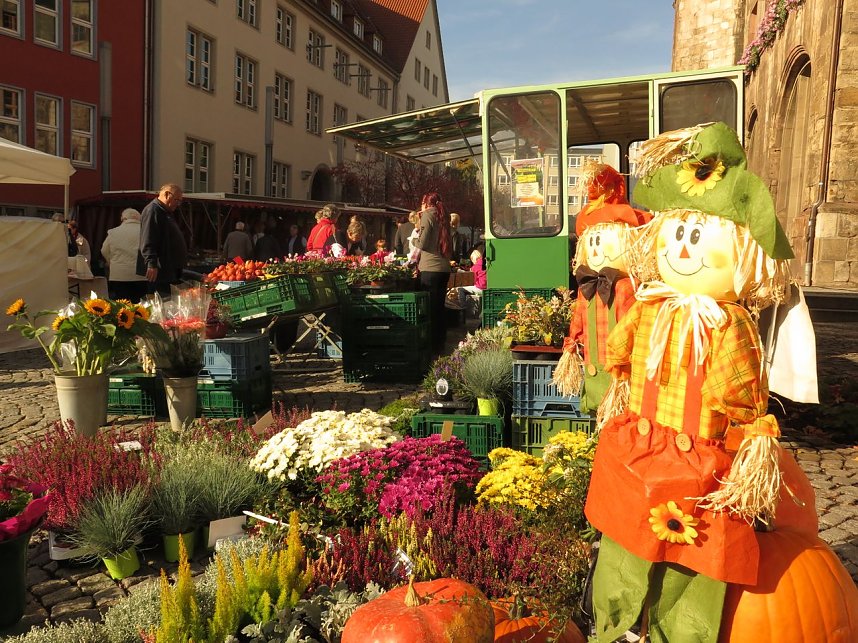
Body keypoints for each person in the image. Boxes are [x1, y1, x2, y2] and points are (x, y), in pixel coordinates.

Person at [414, 192, 452, 354]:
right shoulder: (444, 217)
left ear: (425, 203)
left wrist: (414, 237)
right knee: (439, 307)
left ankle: (432, 345)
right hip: (444, 268)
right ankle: (440, 342)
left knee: (429, 309)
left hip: (430, 268)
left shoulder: (428, 216)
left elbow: (422, 243)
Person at [137, 183, 188, 296]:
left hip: (169, 269)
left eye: (180, 201)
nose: (178, 204)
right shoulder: (153, 210)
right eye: (177, 200)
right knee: (162, 300)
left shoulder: (164, 211)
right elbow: (148, 238)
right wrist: (152, 264)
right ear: (167, 194)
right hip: (161, 271)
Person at [101, 208, 148, 302]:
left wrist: (112, 262)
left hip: (119, 275)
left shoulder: (113, 232)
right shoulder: (146, 231)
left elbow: (104, 250)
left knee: (122, 305)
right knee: (141, 305)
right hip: (142, 274)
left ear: (123, 218)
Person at [456, 248, 487, 317]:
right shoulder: (486, 263)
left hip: (481, 288)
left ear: (473, 258)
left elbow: (472, 280)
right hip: (487, 287)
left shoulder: (476, 266)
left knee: (461, 289)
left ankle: (463, 310)